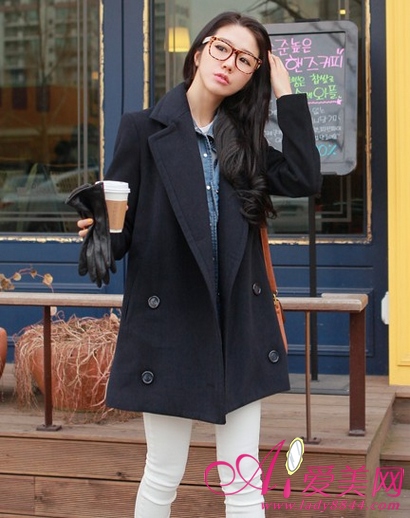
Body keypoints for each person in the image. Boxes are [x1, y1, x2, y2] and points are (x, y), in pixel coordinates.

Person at [77, 11, 321, 518]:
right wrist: (102, 230)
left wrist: (286, 94)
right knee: (163, 472)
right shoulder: (142, 130)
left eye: (246, 60)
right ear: (200, 50)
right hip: (172, 327)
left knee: (243, 481)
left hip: (237, 326)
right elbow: (121, 231)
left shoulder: (245, 142)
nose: (230, 63)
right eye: (222, 48)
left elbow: (304, 177)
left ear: (253, 75)